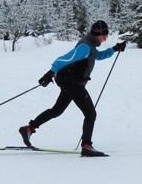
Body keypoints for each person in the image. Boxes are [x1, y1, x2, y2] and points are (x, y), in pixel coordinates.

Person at [18, 20, 126, 157]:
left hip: (70, 82)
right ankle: (86, 146)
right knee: (90, 114)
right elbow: (63, 59)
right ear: (98, 34)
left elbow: (97, 56)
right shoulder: (85, 47)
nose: (105, 39)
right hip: (72, 83)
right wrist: (50, 73)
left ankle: (28, 128)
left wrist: (115, 49)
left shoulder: (90, 45)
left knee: (56, 110)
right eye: (105, 36)